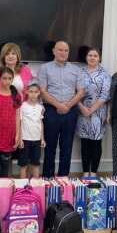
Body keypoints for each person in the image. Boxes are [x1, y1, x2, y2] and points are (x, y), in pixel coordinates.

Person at [36, 40, 85, 177]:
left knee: (67, 146)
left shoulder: (75, 70)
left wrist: (68, 105)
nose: (63, 53)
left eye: (66, 50)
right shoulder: (45, 68)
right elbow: (42, 91)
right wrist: (58, 105)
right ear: (54, 51)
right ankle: (48, 177)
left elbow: (81, 92)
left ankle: (63, 177)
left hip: (71, 111)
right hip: (51, 110)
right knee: (50, 146)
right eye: (60, 50)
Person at [0, 43, 34, 176]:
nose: (10, 56)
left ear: (18, 56)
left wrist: (37, 106)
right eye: (7, 53)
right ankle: (6, 180)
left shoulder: (26, 71)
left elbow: (33, 90)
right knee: (4, 155)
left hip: (23, 114)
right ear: (3, 56)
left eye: (13, 53)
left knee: (22, 149)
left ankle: (22, 181)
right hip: (2, 118)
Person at [76, 47, 111, 177]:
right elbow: (74, 92)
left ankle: (94, 173)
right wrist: (82, 108)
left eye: (95, 56)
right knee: (85, 143)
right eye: (90, 55)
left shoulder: (105, 73)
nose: (92, 58)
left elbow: (105, 94)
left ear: (99, 58)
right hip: (82, 112)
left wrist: (91, 110)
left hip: (98, 114)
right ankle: (86, 173)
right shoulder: (79, 72)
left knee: (96, 143)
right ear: (86, 57)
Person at [19, 82, 46, 179]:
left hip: (37, 139)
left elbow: (41, 123)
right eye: (31, 92)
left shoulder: (40, 107)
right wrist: (20, 139)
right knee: (23, 164)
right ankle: (22, 184)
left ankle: (36, 184)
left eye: (35, 92)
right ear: (26, 92)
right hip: (25, 139)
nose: (33, 94)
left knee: (35, 164)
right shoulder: (22, 106)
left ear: (39, 93)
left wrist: (42, 139)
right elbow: (20, 122)